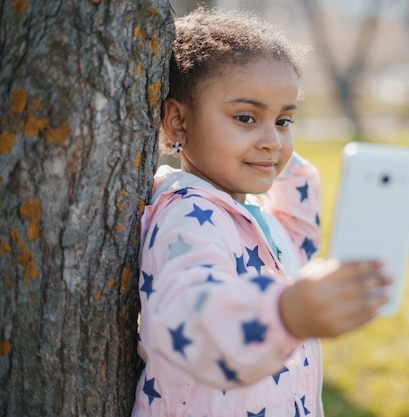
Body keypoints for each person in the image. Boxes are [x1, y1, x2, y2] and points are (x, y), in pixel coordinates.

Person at [132, 7, 391, 417]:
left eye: (285, 120)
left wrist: (268, 140)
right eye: (246, 117)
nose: (272, 141)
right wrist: (286, 314)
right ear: (178, 122)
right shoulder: (187, 215)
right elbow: (193, 321)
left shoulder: (246, 209)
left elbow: (298, 240)